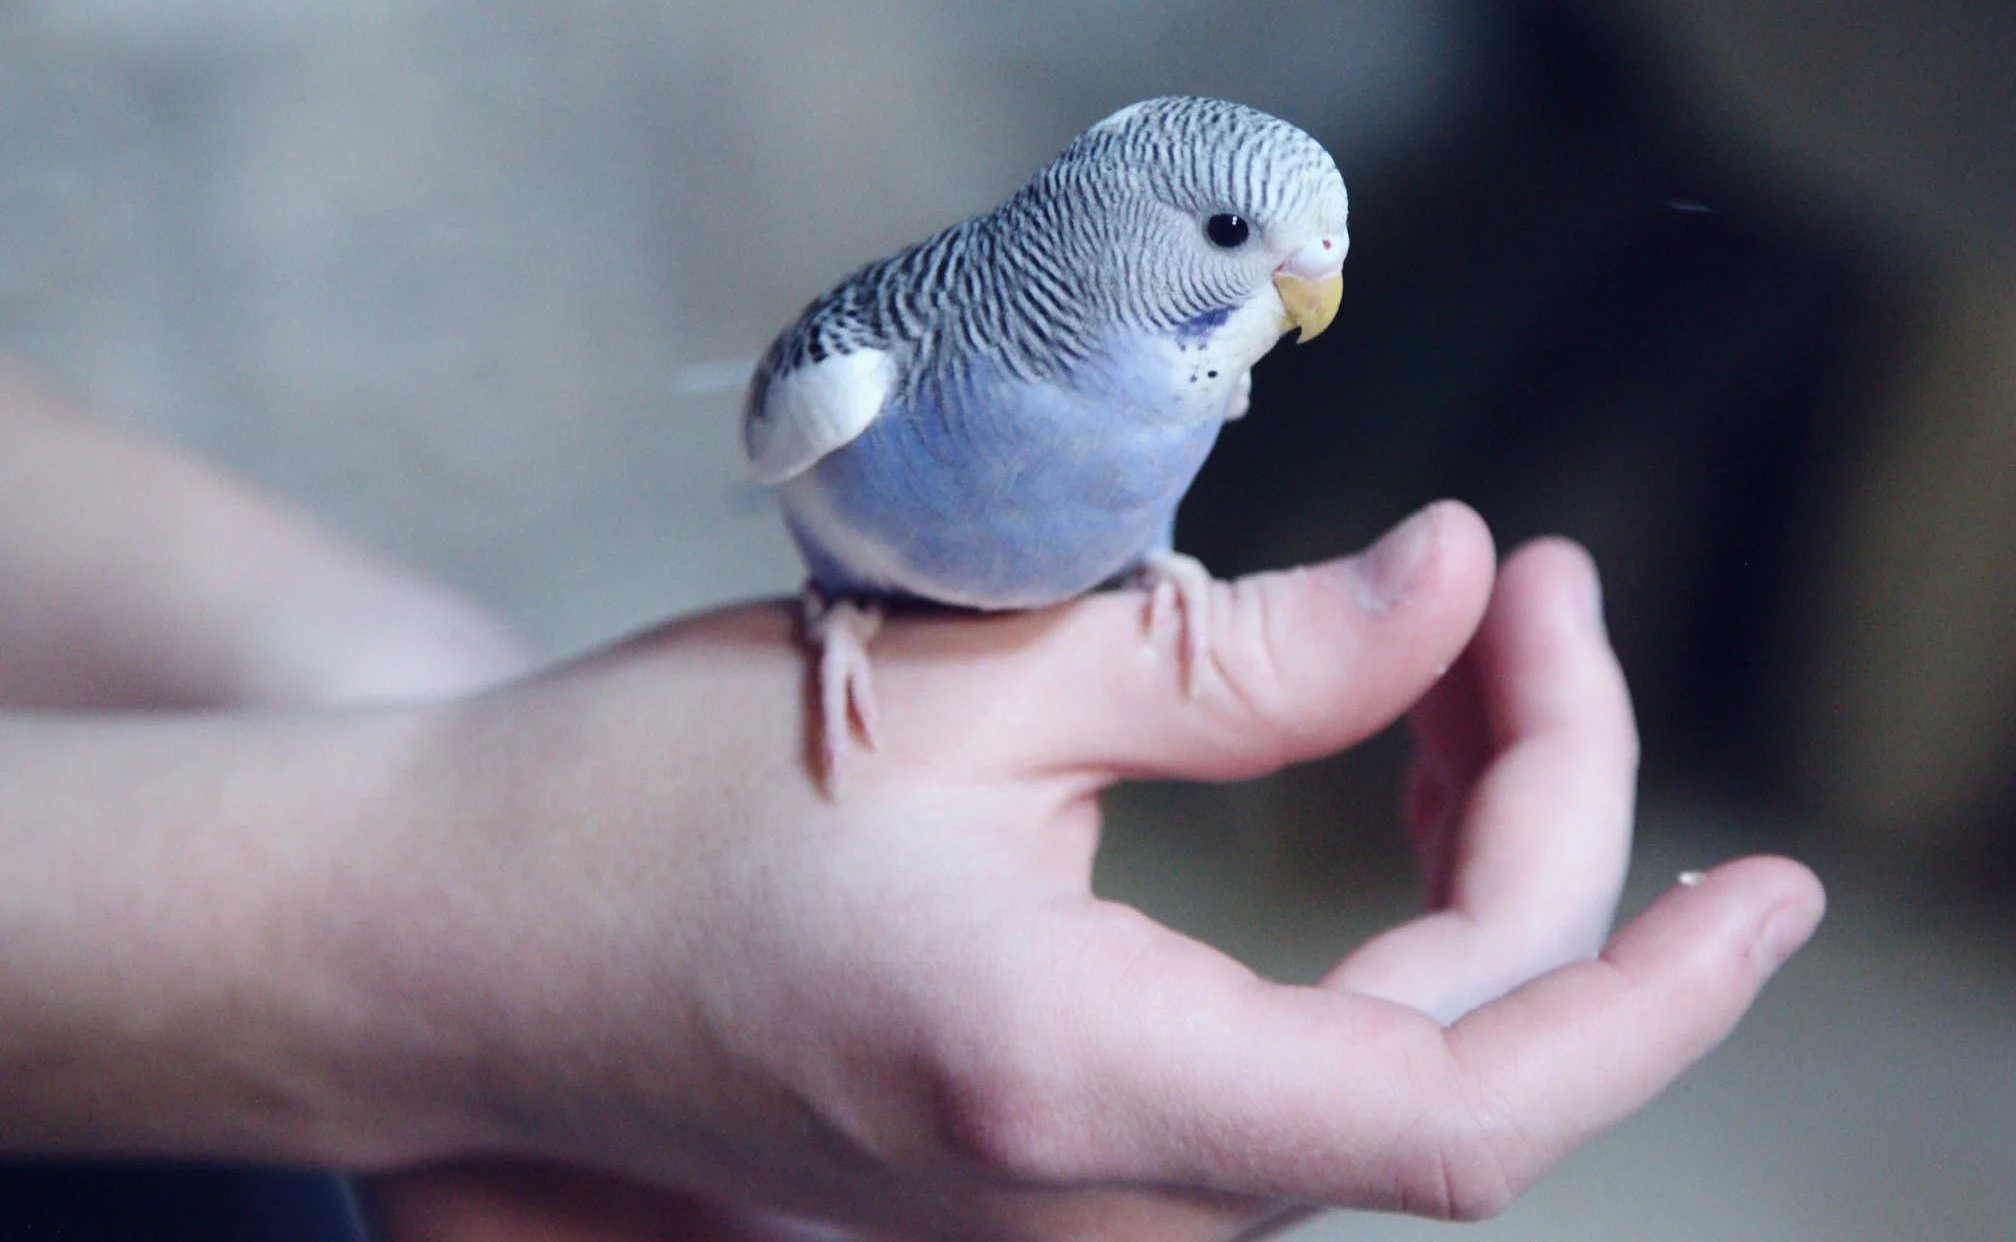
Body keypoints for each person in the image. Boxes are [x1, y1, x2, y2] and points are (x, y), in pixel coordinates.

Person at [0, 357, 1823, 1239]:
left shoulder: (1182, 374)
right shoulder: (895, 358)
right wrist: (445, 920)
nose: (1298, 297)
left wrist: (443, 723)